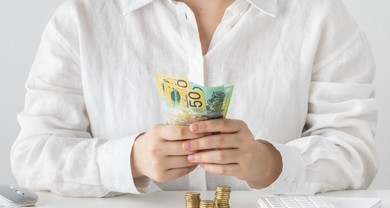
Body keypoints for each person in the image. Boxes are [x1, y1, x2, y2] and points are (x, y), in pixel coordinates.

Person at [11, 0, 377, 197]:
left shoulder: (320, 15)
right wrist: (130, 159)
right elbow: (34, 155)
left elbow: (353, 150)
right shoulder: (82, 18)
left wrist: (272, 164)